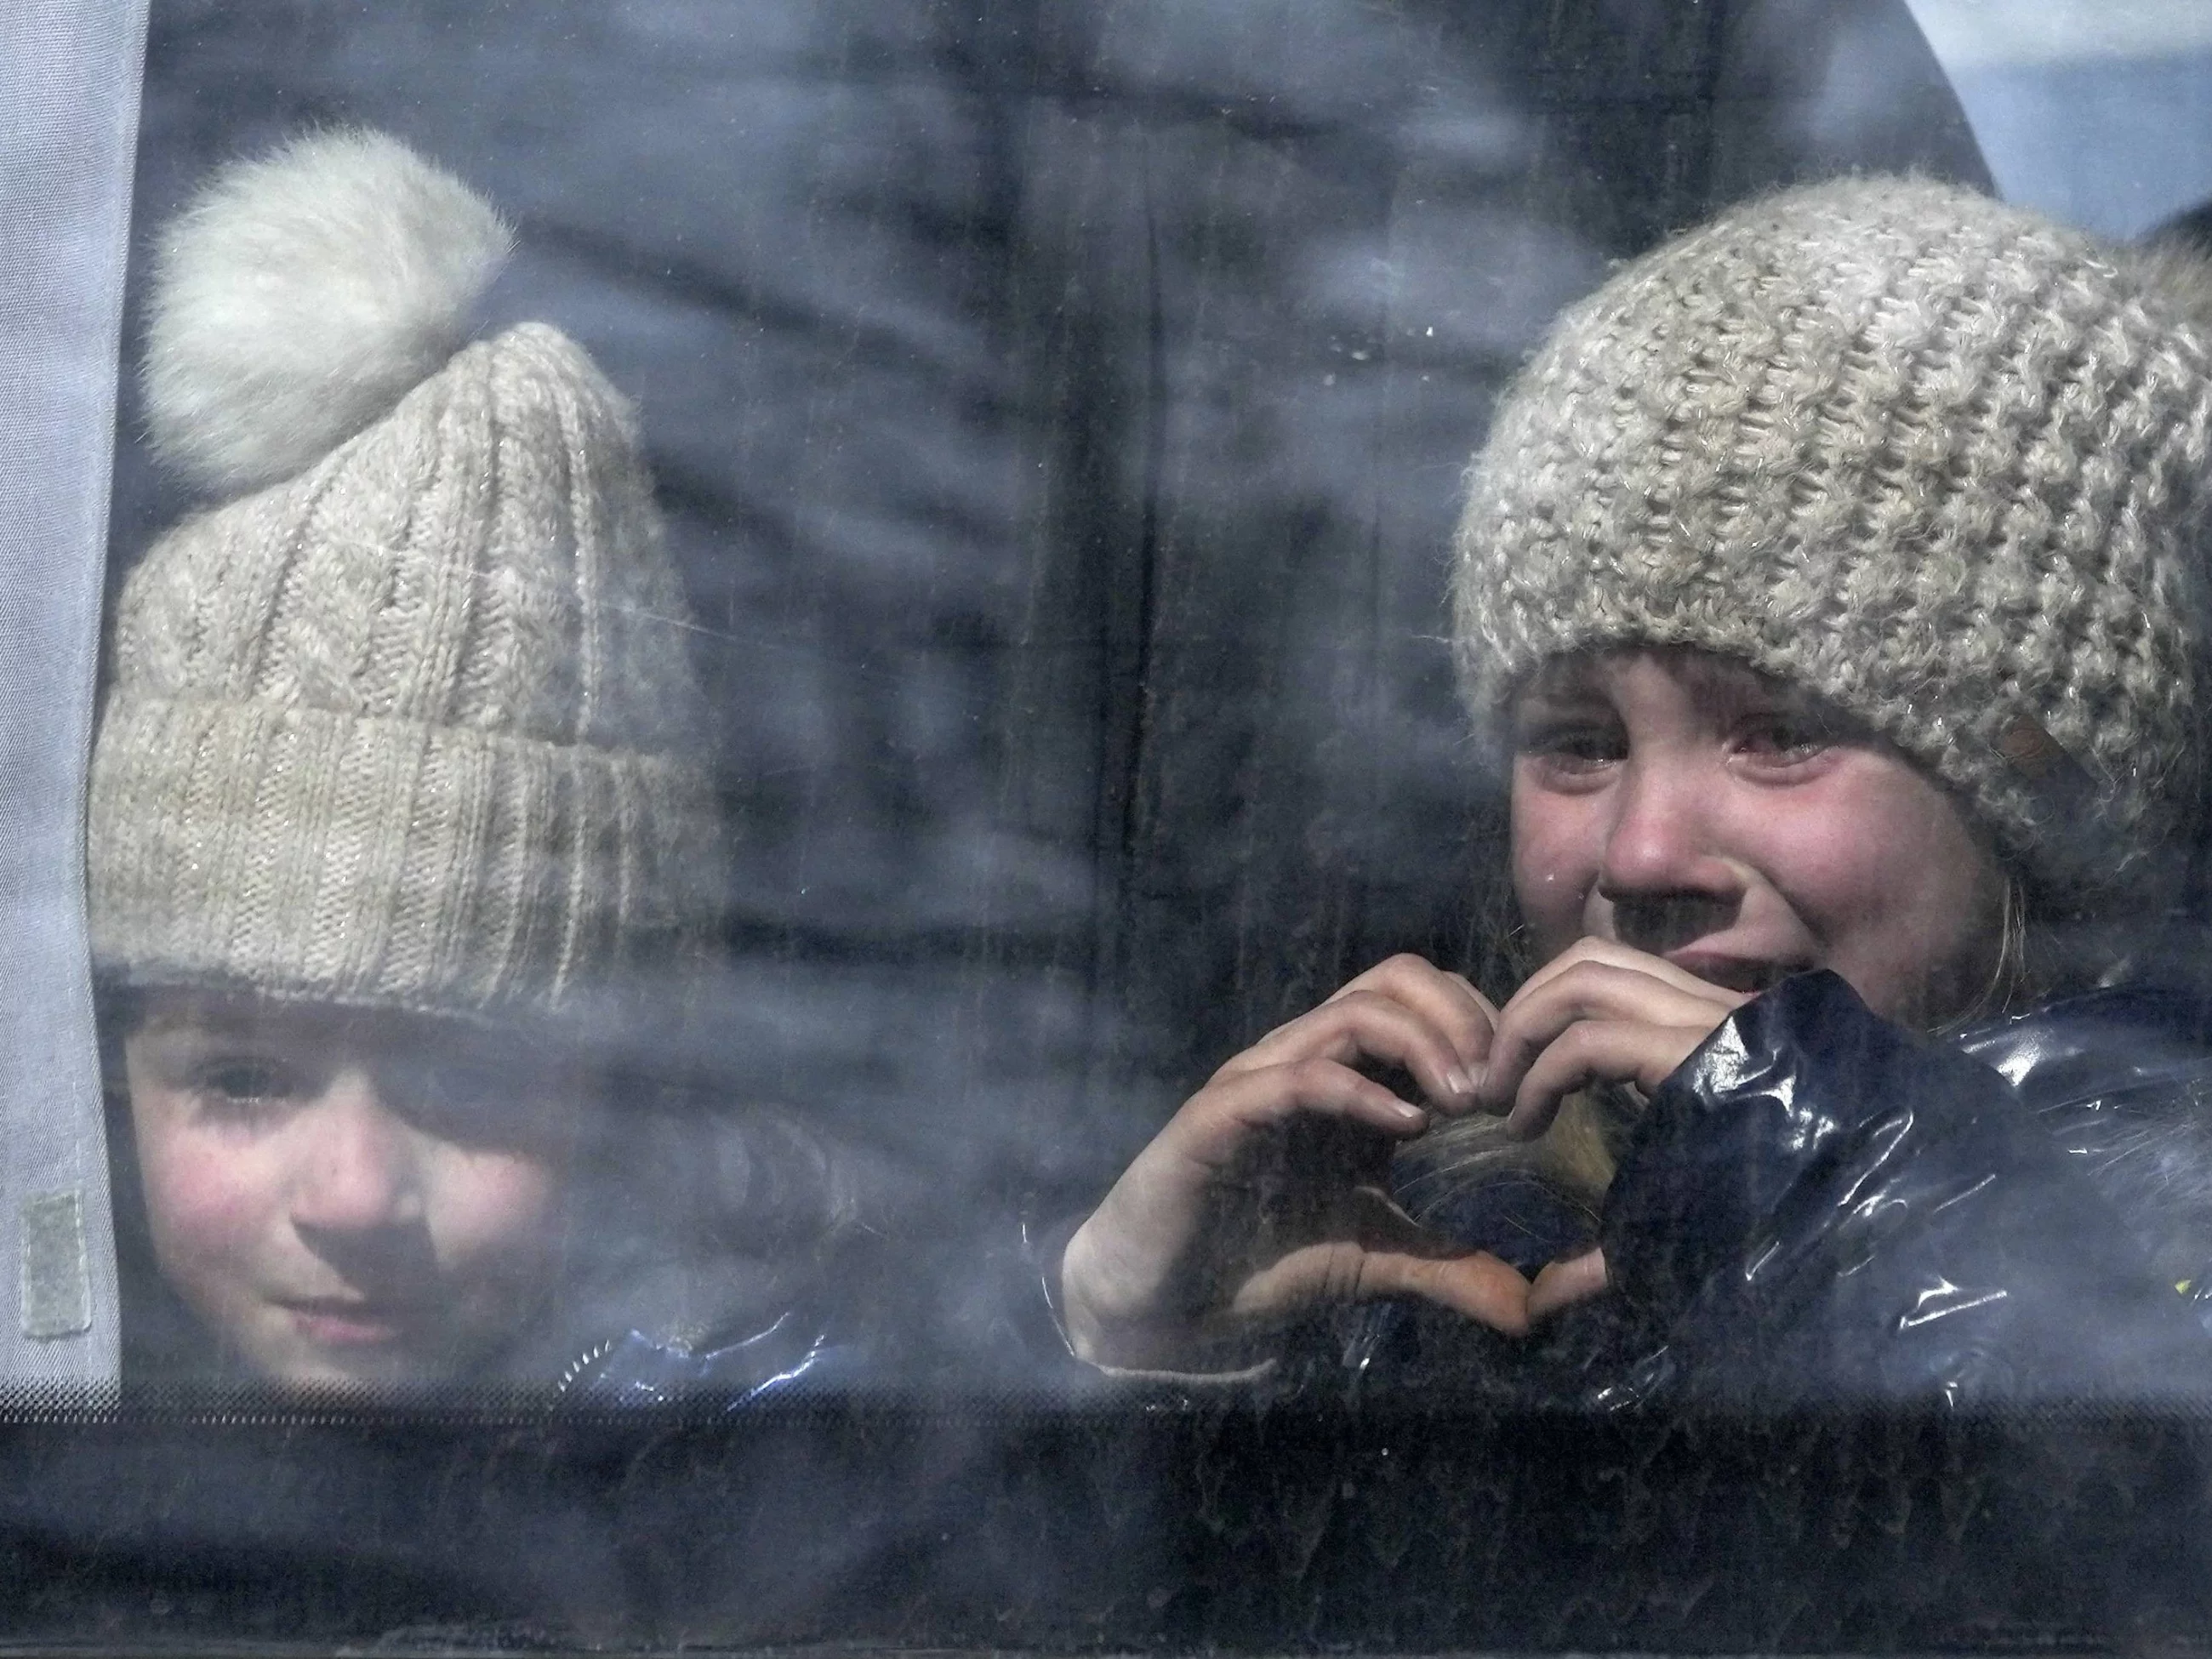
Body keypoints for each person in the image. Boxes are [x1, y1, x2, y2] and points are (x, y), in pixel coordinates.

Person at [1051, 175, 2212, 1405]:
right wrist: (1141, 1339)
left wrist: (1833, 1171)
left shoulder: (2156, 1243)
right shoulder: (1455, 1243)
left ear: (2045, 795)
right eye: (1575, 742)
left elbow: (2097, 1521)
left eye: (1778, 732)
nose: (1644, 853)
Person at [90, 129, 862, 1397]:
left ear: (624, 1089)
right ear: (111, 1083)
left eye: (466, 1072)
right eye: (240, 1076)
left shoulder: (791, 1422)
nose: (353, 1196)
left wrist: (1094, 1319)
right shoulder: (59, 1440)